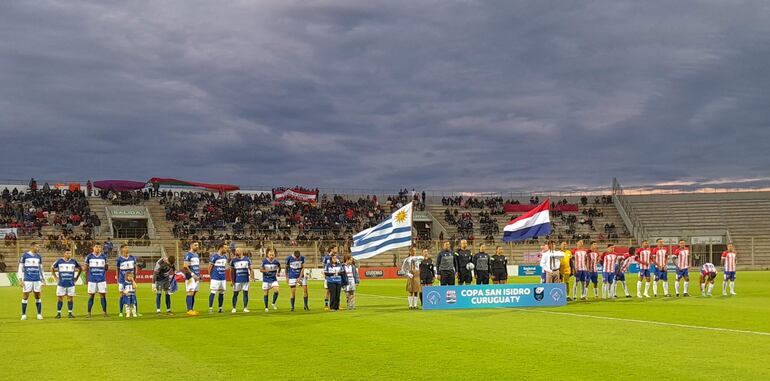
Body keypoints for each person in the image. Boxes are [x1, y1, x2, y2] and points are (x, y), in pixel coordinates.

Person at [18, 242, 45, 320]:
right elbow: (20, 268)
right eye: (37, 247)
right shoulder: (24, 256)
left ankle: (39, 314)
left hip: (37, 280)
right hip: (27, 280)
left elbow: (41, 269)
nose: (38, 248)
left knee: (38, 296)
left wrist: (43, 279)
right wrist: (20, 280)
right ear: (32, 247)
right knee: (25, 296)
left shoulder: (39, 256)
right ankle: (23, 314)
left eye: (38, 246)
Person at [51, 249, 81, 319]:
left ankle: (70, 313)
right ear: (64, 254)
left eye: (70, 253)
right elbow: (52, 268)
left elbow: (80, 268)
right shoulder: (59, 261)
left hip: (71, 284)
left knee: (70, 299)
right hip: (61, 284)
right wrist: (55, 277)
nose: (69, 254)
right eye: (67, 253)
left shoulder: (73, 261)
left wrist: (76, 277)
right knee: (59, 299)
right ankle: (58, 313)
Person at [84, 244, 109, 317]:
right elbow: (85, 268)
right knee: (91, 296)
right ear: (93, 248)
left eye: (99, 247)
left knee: (103, 296)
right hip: (92, 280)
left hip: (101, 280)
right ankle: (89, 313)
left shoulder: (104, 256)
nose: (98, 248)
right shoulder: (89, 256)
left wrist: (106, 266)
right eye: (96, 247)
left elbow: (106, 268)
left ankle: (104, 312)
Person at [116, 246, 138, 317]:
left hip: (131, 280)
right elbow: (117, 269)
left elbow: (135, 268)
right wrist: (117, 280)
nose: (127, 249)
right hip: (122, 280)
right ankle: (121, 312)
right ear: (122, 249)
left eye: (127, 247)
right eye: (125, 248)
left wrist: (134, 278)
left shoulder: (132, 257)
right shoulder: (119, 259)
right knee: (122, 295)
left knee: (133, 294)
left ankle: (136, 312)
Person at [231, 247, 253, 313]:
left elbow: (251, 269)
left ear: (241, 251)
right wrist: (232, 281)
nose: (236, 252)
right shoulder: (233, 260)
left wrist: (252, 276)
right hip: (237, 280)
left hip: (246, 279)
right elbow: (232, 272)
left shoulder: (247, 259)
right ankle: (234, 308)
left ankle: (245, 308)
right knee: (235, 294)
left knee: (245, 294)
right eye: (236, 251)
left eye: (237, 251)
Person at [208, 244, 229, 313]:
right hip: (215, 278)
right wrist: (211, 276)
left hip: (223, 278)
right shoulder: (215, 257)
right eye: (225, 248)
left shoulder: (225, 257)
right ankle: (210, 308)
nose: (227, 250)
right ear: (221, 248)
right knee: (213, 292)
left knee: (222, 292)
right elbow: (209, 267)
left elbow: (224, 267)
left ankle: (220, 308)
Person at [183, 242, 202, 316]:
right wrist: (192, 274)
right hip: (190, 277)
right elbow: (185, 266)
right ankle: (189, 310)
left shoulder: (196, 255)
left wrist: (199, 274)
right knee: (190, 292)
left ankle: (192, 309)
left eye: (198, 245)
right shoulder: (188, 255)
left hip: (196, 277)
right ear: (191, 246)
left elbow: (197, 266)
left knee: (193, 293)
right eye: (195, 245)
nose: (197, 246)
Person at [261, 248, 281, 312]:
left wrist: (278, 272)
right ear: (267, 255)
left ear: (274, 255)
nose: (271, 256)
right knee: (266, 293)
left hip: (273, 279)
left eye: (272, 255)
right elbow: (261, 270)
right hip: (266, 279)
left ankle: (273, 303)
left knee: (276, 290)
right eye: (270, 255)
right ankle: (266, 307)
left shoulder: (276, 262)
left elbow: (279, 267)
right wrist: (265, 270)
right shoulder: (264, 261)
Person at [323, 244, 339, 310]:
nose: (337, 250)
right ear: (332, 249)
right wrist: (325, 275)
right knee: (328, 290)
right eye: (335, 248)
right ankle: (326, 305)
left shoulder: (337, 257)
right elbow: (324, 266)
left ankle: (337, 304)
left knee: (336, 290)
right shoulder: (326, 257)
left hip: (336, 276)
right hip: (328, 276)